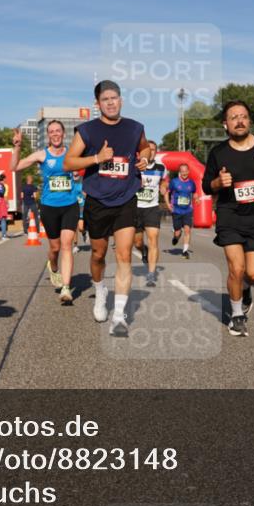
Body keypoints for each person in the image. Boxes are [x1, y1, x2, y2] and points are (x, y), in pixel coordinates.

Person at [64, 80, 153, 336]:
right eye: (105, 99)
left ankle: (119, 315)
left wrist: (145, 157)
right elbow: (69, 163)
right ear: (97, 104)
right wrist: (96, 158)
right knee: (98, 255)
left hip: (126, 197)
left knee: (124, 255)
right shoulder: (88, 130)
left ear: (121, 100)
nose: (111, 103)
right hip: (98, 200)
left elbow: (145, 147)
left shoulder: (135, 128)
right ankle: (101, 289)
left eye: (115, 98)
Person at [202, 100, 254, 337]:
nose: (239, 120)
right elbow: (207, 186)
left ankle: (246, 290)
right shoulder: (218, 153)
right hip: (230, 215)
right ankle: (237, 315)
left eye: (243, 116)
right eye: (234, 117)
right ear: (225, 124)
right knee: (236, 267)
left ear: (249, 120)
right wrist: (218, 182)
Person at [11, 120, 78, 303]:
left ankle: (66, 288)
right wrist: (17, 147)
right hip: (49, 206)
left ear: (63, 134)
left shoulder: (72, 154)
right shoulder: (42, 155)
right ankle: (53, 266)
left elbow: (85, 167)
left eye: (58, 131)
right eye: (52, 132)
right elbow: (14, 167)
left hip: (70, 204)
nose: (55, 134)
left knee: (66, 245)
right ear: (48, 135)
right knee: (55, 248)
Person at [134, 140, 169, 286]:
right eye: (149, 149)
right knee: (137, 242)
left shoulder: (161, 167)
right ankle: (143, 251)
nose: (151, 152)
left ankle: (151, 273)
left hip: (152, 208)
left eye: (154, 150)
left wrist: (164, 186)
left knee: (153, 240)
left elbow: (164, 181)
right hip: (135, 208)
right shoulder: (135, 167)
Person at [166, 162, 197, 258]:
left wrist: (197, 198)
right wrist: (168, 205)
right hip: (176, 210)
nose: (184, 173)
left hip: (188, 210)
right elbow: (167, 193)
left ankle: (185, 251)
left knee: (187, 230)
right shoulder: (174, 182)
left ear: (188, 171)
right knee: (177, 232)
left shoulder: (191, 183)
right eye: (182, 171)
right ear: (179, 172)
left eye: (186, 171)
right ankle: (176, 237)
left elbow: (194, 193)